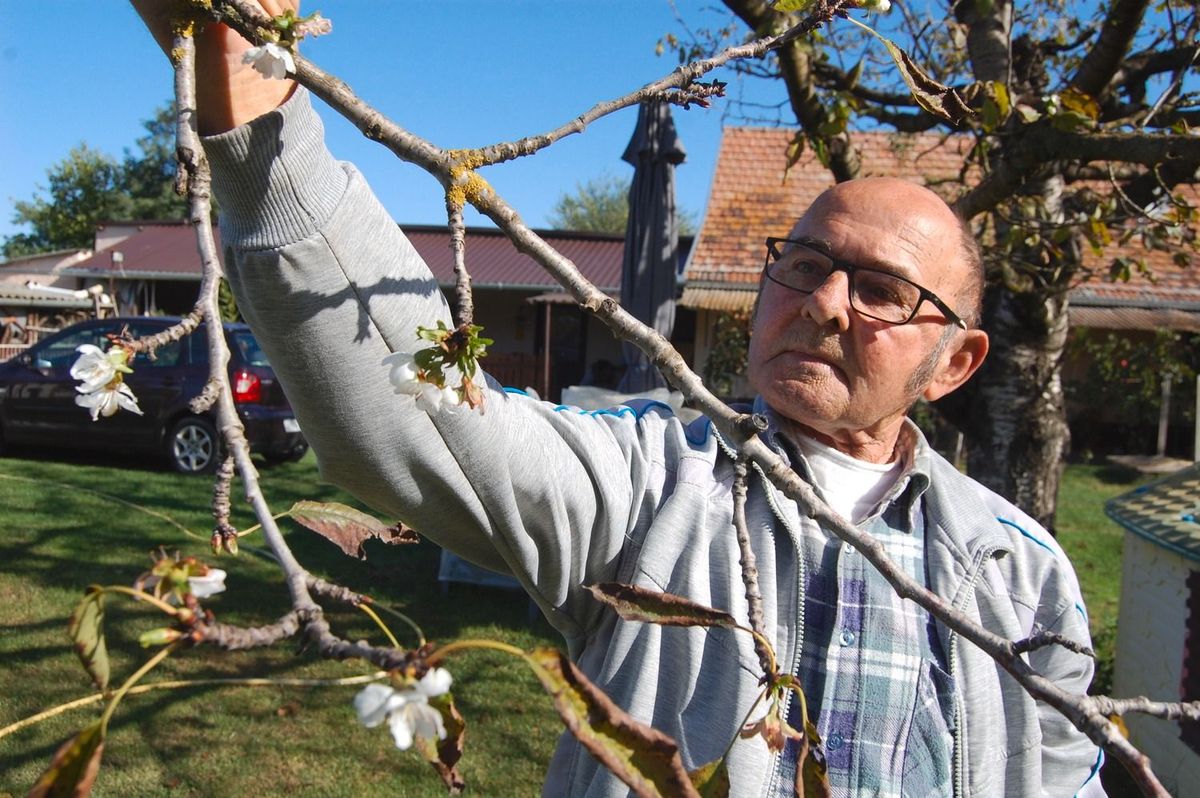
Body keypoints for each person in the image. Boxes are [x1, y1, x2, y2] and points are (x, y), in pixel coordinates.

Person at [132, 3, 1106, 795]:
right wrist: (256, 109)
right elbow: (409, 412)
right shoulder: (650, 479)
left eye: (883, 292)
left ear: (955, 364)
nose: (822, 302)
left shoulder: (1022, 576)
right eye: (804, 266)